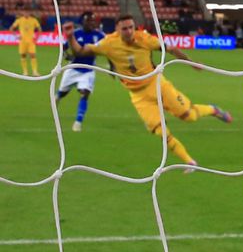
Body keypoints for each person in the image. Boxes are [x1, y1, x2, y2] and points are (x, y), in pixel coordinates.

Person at [61, 15, 233, 169]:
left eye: (131, 27)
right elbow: (80, 51)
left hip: (157, 84)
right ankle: (189, 161)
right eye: (124, 28)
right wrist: (70, 37)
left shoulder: (144, 38)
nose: (129, 31)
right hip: (138, 96)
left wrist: (190, 62)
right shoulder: (108, 43)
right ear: (117, 29)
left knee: (189, 116)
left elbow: (170, 48)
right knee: (161, 131)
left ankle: (213, 110)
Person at [56, 12, 106, 132]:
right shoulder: (76, 34)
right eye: (88, 21)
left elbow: (109, 48)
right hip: (72, 69)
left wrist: (113, 65)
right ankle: (57, 99)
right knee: (62, 93)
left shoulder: (99, 35)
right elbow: (64, 47)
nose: (91, 23)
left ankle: (78, 122)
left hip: (88, 70)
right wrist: (67, 56)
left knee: (85, 93)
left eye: (92, 21)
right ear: (83, 22)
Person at [13, 9, 40, 76]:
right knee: (23, 55)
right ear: (22, 12)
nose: (26, 13)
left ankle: (35, 71)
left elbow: (39, 29)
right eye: (25, 11)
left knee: (33, 55)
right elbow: (12, 28)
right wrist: (16, 36)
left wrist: (37, 38)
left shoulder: (34, 20)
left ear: (30, 12)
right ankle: (25, 72)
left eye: (27, 11)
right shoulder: (19, 20)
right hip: (22, 41)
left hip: (31, 41)